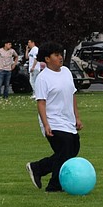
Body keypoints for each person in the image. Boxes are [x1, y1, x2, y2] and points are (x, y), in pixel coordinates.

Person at [25, 43, 82, 193]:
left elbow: (72, 95)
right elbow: (41, 103)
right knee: (65, 150)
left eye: (60, 54)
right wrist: (46, 124)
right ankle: (54, 186)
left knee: (73, 149)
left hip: (68, 120)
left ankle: (37, 168)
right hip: (53, 121)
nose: (60, 57)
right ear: (47, 59)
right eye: (56, 55)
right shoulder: (43, 78)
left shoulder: (66, 72)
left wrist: (77, 116)